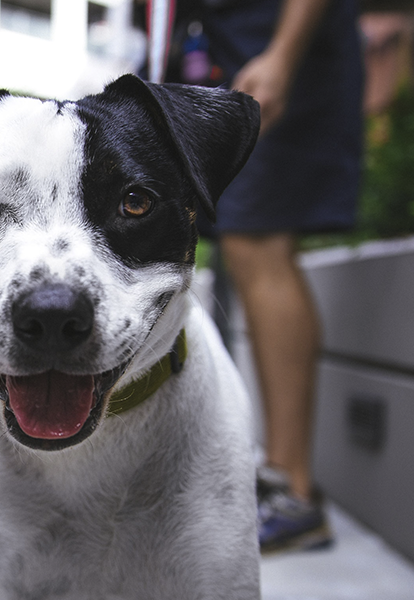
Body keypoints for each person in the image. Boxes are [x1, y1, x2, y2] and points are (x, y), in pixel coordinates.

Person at [194, 0, 364, 554]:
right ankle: (278, 482)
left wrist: (283, 55)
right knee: (245, 243)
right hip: (233, 46)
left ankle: (294, 492)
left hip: (274, 46)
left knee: (259, 241)